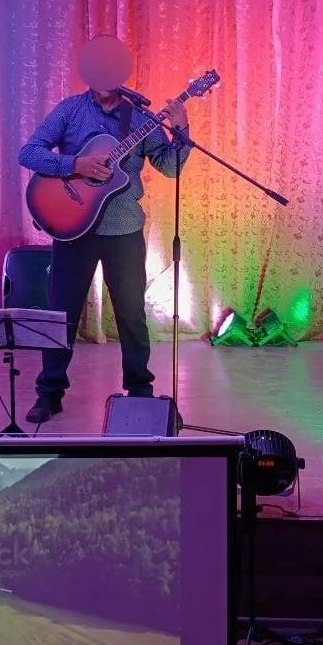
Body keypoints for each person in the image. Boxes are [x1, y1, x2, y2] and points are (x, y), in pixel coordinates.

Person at [17, 34, 190, 424]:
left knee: (131, 314)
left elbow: (170, 167)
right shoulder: (70, 110)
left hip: (124, 229)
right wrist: (74, 165)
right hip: (73, 228)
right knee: (61, 313)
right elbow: (29, 152)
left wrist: (181, 130)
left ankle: (140, 391)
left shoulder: (143, 119)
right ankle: (49, 393)